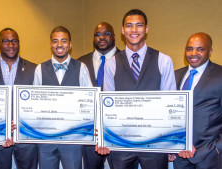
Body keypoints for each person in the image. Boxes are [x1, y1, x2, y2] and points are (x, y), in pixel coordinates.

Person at [98, 9, 176, 169]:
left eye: (139, 25)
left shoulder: (164, 60)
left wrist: (172, 143)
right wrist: (104, 138)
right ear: (122, 30)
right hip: (121, 143)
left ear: (146, 29)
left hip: (155, 142)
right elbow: (108, 105)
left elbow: (171, 105)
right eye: (129, 26)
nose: (134, 30)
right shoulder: (110, 64)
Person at [33, 26, 92, 169]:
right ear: (50, 44)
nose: (59, 45)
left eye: (64, 41)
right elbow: (34, 103)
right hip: (46, 136)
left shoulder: (82, 67)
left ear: (70, 44)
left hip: (72, 137)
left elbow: (90, 101)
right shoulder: (40, 69)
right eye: (55, 41)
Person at [0, 28, 38, 169]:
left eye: (14, 41)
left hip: (25, 136)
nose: (11, 45)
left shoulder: (34, 69)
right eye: (6, 41)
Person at [174, 32, 222, 169]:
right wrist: (170, 146)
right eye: (189, 49)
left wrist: (216, 148)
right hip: (180, 155)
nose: (193, 53)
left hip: (210, 155)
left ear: (210, 51)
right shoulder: (175, 75)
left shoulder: (220, 75)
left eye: (200, 49)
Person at [78, 22, 120, 169]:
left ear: (115, 36)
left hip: (118, 131)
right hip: (90, 132)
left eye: (107, 34)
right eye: (97, 34)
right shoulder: (79, 63)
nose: (102, 37)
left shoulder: (126, 60)